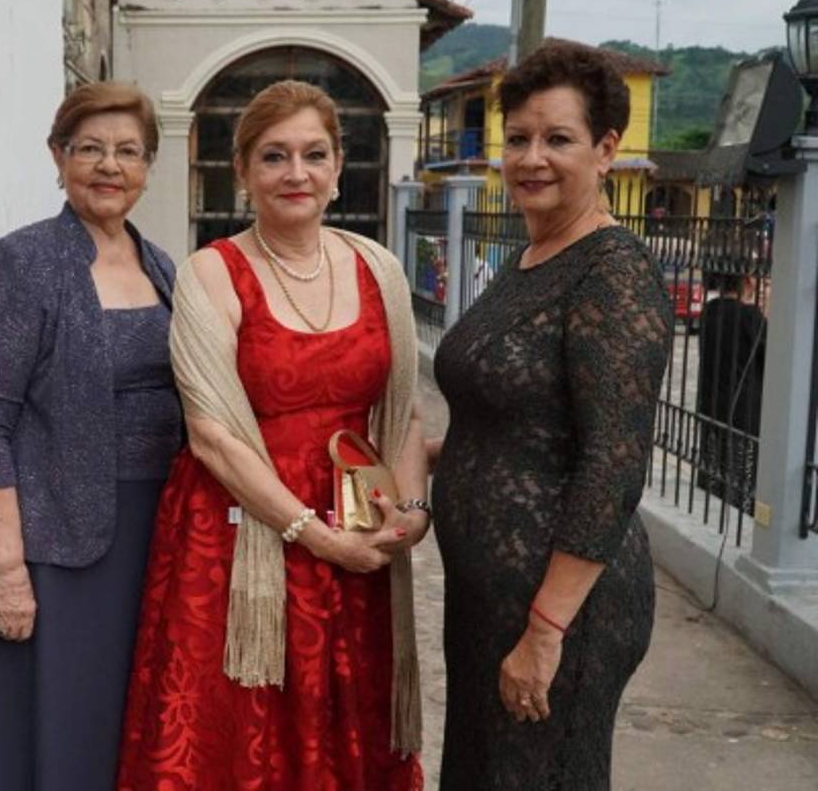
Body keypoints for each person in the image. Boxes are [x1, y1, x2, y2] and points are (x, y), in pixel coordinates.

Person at [117, 79, 430, 790]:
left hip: (359, 529)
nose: (297, 173)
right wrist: (317, 538)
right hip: (241, 533)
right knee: (242, 733)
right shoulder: (211, 273)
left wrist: (407, 514)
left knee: (346, 717)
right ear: (243, 172)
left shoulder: (379, 268)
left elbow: (403, 412)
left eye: (314, 154)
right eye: (274, 156)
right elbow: (212, 436)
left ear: (339, 165)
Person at [429, 40, 673, 789]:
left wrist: (544, 631)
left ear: (605, 151)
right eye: (520, 139)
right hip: (487, 599)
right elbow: (520, 412)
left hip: (558, 611)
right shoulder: (532, 254)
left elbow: (613, 461)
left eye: (558, 139)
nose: (533, 157)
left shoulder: (613, 273)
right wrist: (439, 455)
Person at [0, 81, 180, 791]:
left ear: (148, 166)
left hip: (159, 533)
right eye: (90, 149)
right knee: (60, 722)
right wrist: (8, 571)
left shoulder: (163, 264)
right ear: (58, 157)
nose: (109, 166)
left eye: (127, 151)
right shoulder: (26, 259)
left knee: (133, 722)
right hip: (58, 539)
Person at [696, 265, 767, 513]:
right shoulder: (750, 317)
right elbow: (777, 360)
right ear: (747, 280)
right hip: (743, 417)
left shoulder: (709, 312)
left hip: (711, 408)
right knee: (741, 485)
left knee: (713, 476)